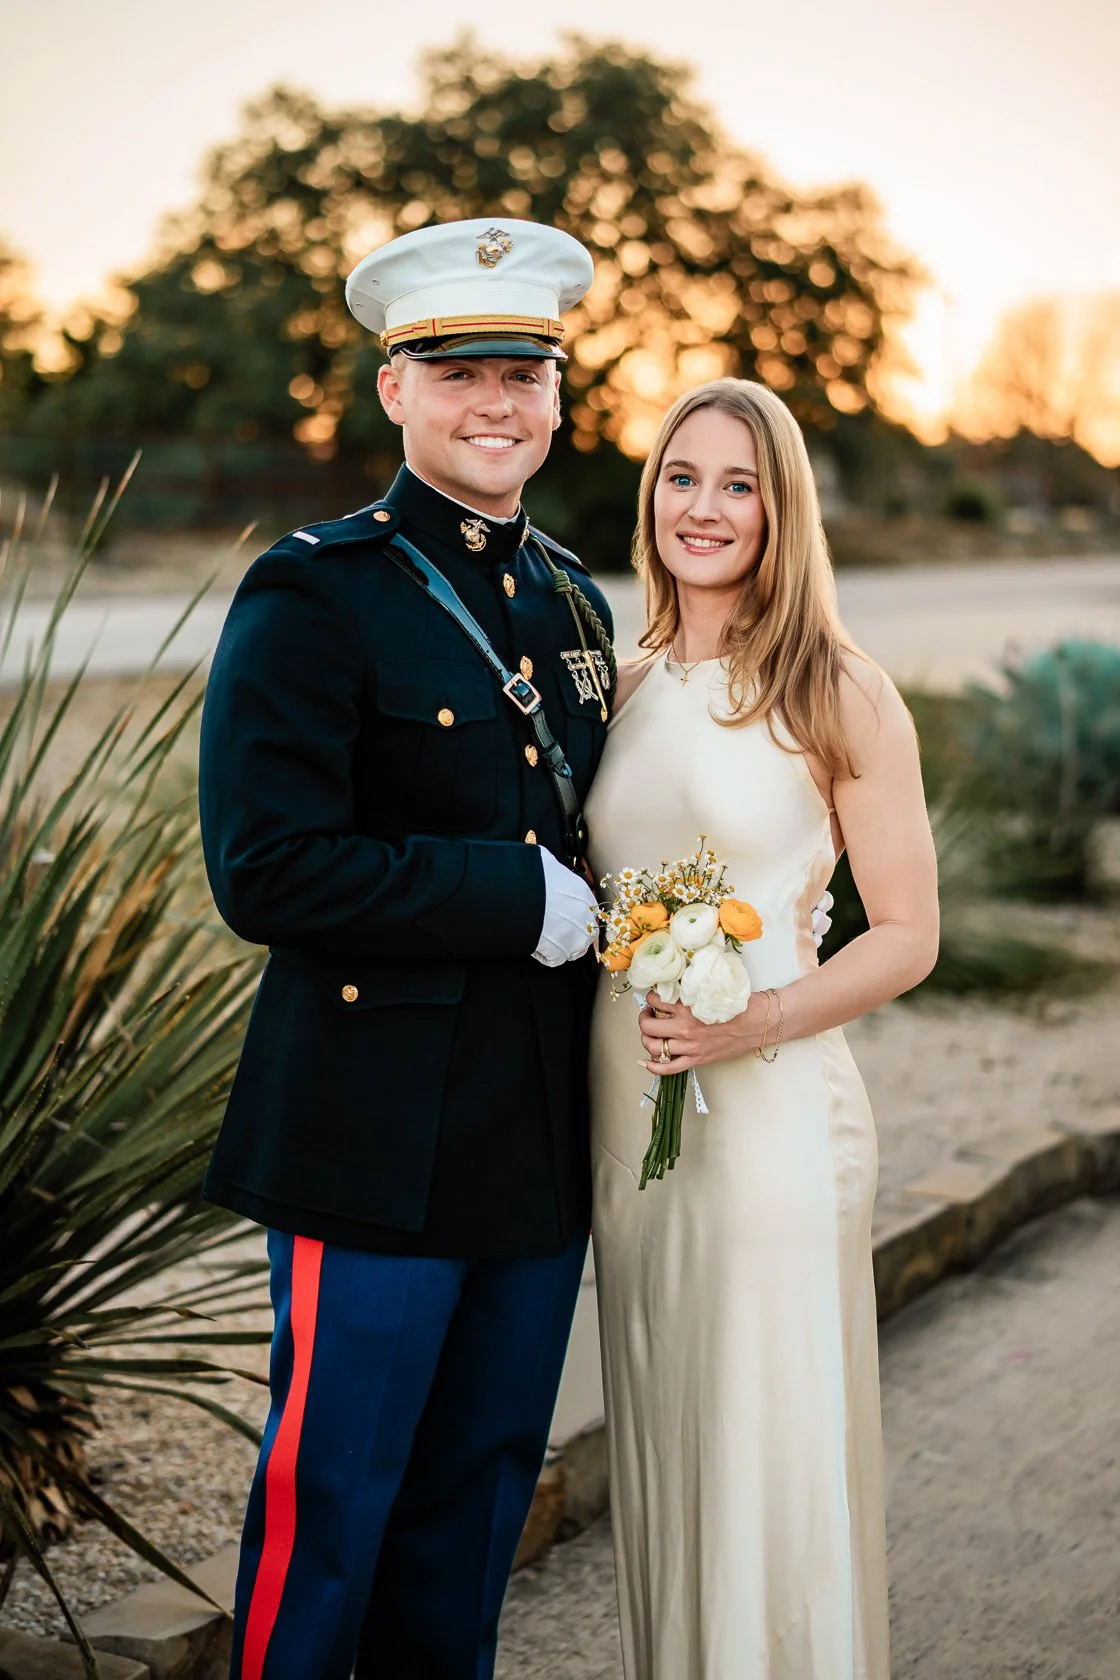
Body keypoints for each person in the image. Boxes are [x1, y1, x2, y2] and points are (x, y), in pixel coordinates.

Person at [197, 217, 612, 1680]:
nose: (499, 404)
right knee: (335, 1506)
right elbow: (266, 868)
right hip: (368, 1138)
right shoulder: (317, 590)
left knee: (478, 1500)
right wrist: (513, 898)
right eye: (461, 374)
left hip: (532, 1134)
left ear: (560, 393)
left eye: (527, 372)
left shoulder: (571, 595)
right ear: (394, 390)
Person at [587, 378, 939, 1679]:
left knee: (764, 1453)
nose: (706, 507)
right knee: (672, 1439)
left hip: (775, 1127)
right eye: (684, 476)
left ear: (781, 509)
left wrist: (759, 1021)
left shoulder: (834, 689)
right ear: (650, 496)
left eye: (740, 483)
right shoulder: (616, 685)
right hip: (631, 1129)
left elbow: (909, 932)